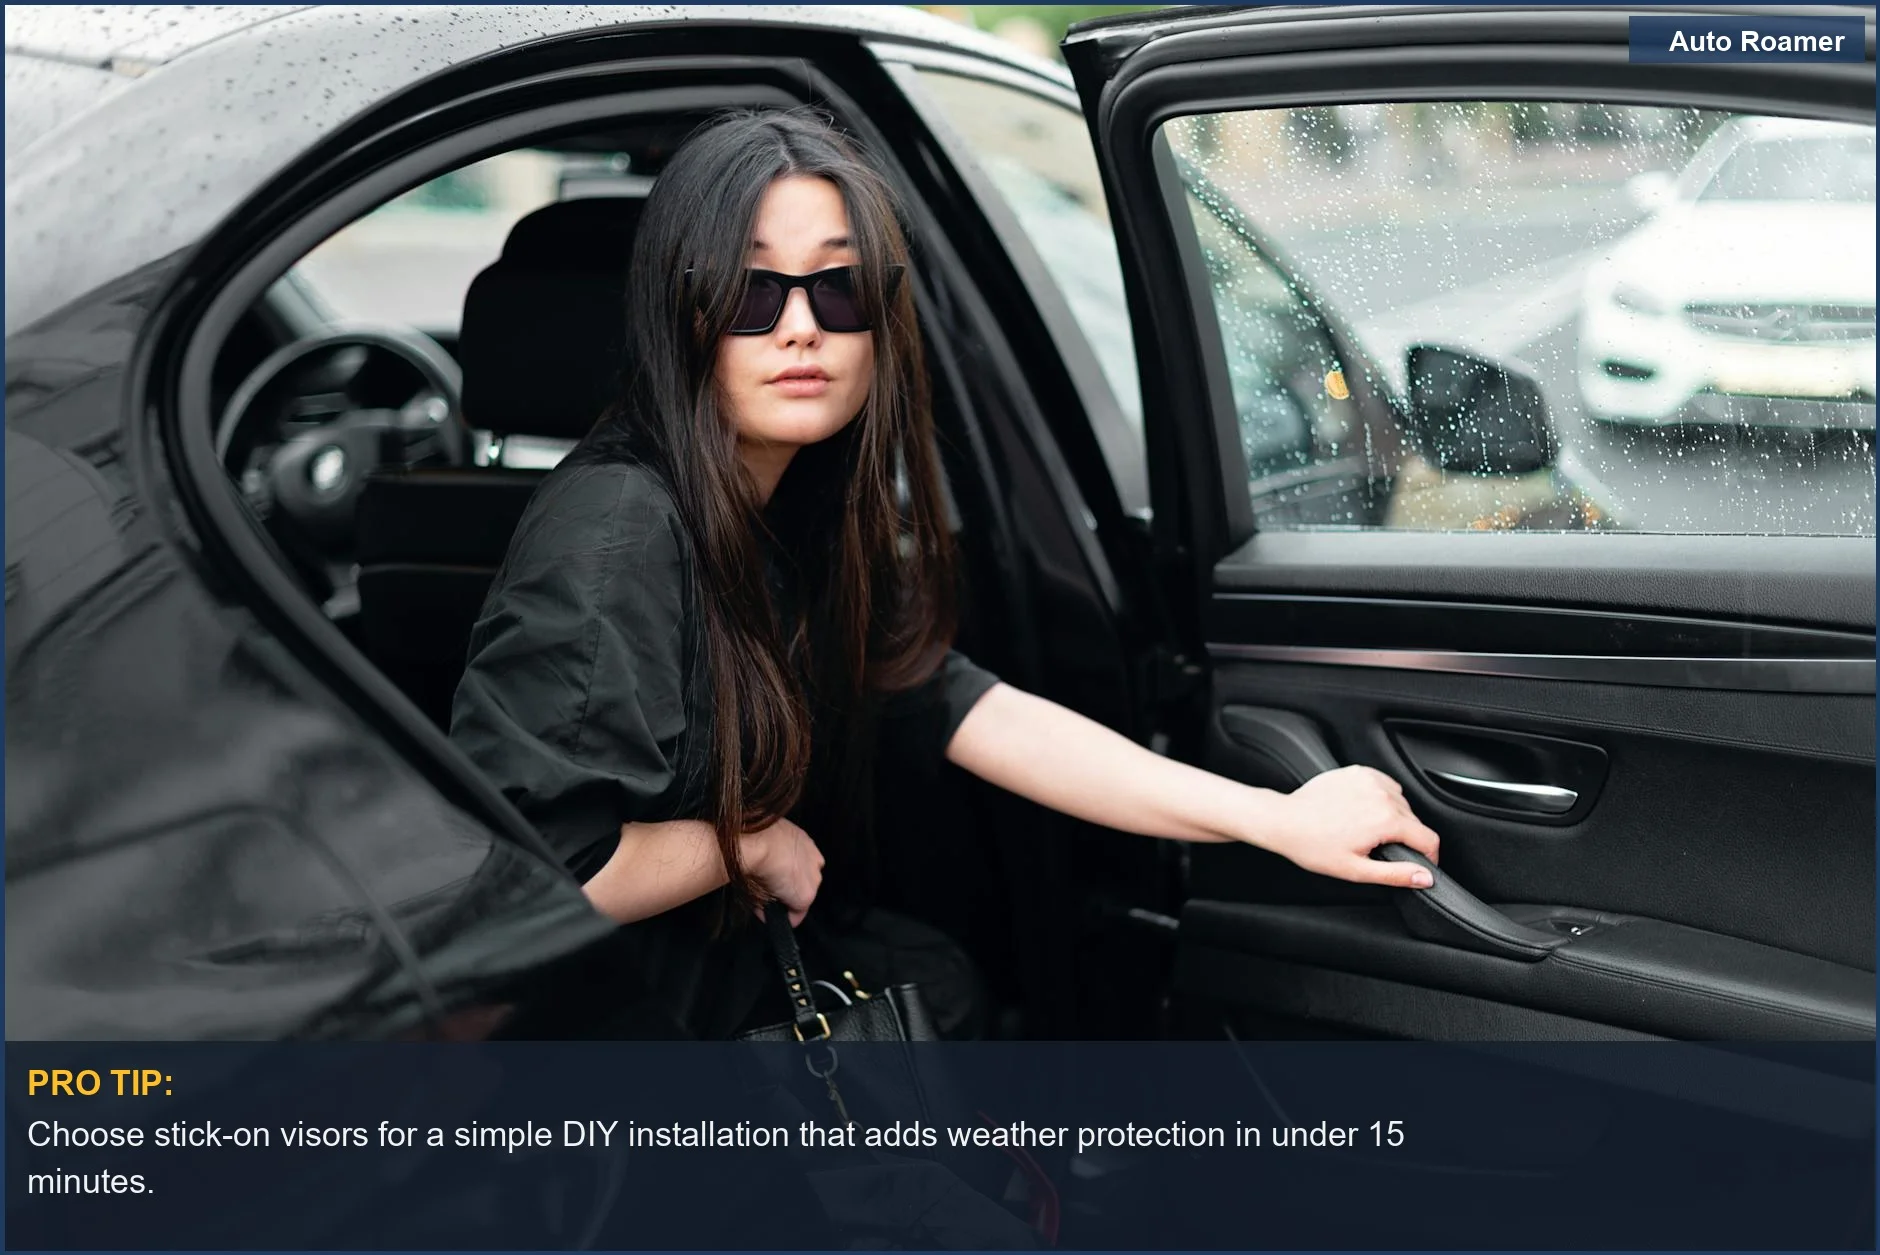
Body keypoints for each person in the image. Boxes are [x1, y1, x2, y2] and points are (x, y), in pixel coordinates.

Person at [450, 108, 1439, 1038]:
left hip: (704, 993)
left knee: (941, 979)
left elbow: (966, 707)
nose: (801, 327)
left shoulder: (786, 509)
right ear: (681, 311)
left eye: (836, 288)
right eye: (752, 290)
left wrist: (1273, 819)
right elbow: (541, 874)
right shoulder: (619, 525)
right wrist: (747, 844)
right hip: (611, 1062)